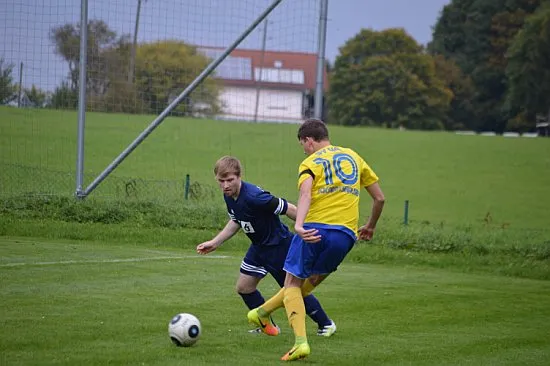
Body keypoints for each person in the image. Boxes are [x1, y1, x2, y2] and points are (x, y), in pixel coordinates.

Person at [247, 118, 385, 361]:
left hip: (314, 230)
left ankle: (301, 342)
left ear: (308, 140)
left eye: (302, 144)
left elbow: (305, 192)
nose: (303, 149)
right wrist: (371, 226)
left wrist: (298, 225)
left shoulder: (310, 162)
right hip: (345, 236)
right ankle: (261, 312)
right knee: (307, 283)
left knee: (291, 284)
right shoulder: (353, 156)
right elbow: (379, 199)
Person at [196, 156, 336, 337]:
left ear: (239, 177)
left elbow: (290, 208)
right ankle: (266, 325)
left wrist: (309, 229)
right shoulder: (229, 195)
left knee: (293, 291)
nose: (225, 185)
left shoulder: (256, 197)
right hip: (259, 248)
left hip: (279, 247)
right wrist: (215, 242)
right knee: (244, 287)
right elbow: (236, 220)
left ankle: (326, 324)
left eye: (229, 180)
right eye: (221, 181)